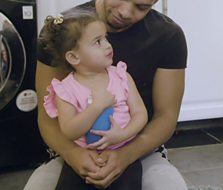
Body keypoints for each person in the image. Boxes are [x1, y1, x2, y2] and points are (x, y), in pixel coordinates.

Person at [25, 0, 188, 190]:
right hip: (74, 148)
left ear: (155, 1)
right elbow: (47, 118)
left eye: (141, 7)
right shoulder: (65, 34)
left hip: (140, 147)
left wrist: (126, 154)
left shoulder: (168, 36)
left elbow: (166, 117)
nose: (125, 12)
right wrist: (73, 154)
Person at [41, 11, 148, 190]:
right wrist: (97, 106)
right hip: (84, 159)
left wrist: (123, 134)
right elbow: (69, 131)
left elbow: (140, 113)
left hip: (121, 153)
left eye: (106, 38)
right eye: (98, 42)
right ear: (74, 57)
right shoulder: (66, 89)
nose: (108, 45)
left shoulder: (121, 76)